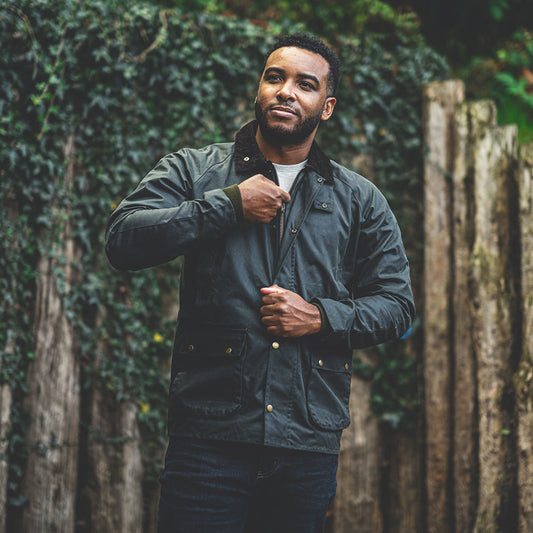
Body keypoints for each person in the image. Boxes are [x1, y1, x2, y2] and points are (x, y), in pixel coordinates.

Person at [105, 32, 415, 533]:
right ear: (259, 89)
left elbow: (397, 306)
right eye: (275, 77)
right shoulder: (196, 169)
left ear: (327, 107)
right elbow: (123, 239)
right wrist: (228, 205)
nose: (286, 91)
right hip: (209, 439)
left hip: (305, 445)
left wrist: (320, 317)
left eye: (305, 84)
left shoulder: (359, 200)